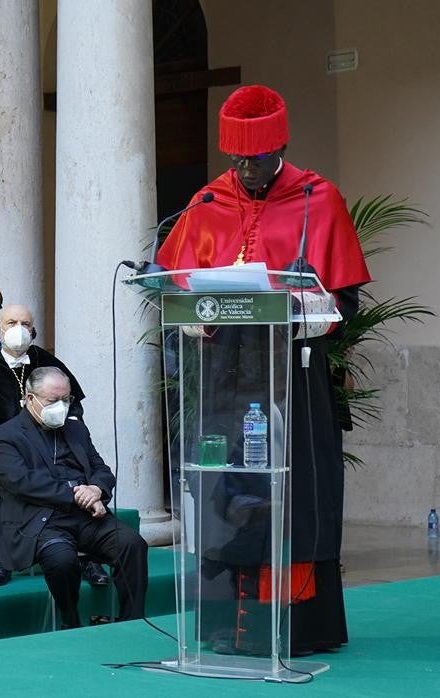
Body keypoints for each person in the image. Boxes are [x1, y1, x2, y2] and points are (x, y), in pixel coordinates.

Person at [156, 85, 369, 654]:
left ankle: (297, 627)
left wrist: (302, 314)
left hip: (293, 382)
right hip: (223, 380)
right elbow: (172, 282)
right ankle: (225, 624)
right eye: (237, 159)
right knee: (227, 492)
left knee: (294, 496)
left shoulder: (317, 199)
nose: (246, 170)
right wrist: (189, 317)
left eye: (256, 158)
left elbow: (345, 302)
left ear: (279, 148)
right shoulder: (206, 203)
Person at [0, 304, 106, 588]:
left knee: (79, 461)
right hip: (6, 451)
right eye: (11, 323)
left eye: (25, 323)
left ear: (33, 331)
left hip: (56, 442)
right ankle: (3, 555)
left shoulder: (49, 362)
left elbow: (74, 412)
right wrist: (8, 443)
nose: (19, 329)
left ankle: (88, 557)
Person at [0, 367, 148, 630]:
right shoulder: (6, 436)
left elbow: (101, 469)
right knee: (62, 560)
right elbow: (23, 483)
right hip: (39, 521)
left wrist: (96, 490)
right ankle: (69, 621)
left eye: (66, 400)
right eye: (53, 401)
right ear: (30, 399)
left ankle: (132, 622)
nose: (61, 407)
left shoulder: (76, 430)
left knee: (132, 543)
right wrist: (78, 493)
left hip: (86, 518)